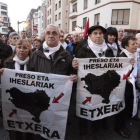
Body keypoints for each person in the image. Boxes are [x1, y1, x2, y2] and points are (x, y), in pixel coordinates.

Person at [27, 24, 77, 140]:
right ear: (44, 35)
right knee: (41, 124)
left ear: (59, 36)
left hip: (58, 99)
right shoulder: (35, 55)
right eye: (48, 33)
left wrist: (74, 77)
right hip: (40, 98)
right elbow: (29, 75)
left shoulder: (67, 55)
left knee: (56, 126)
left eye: (54, 33)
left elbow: (71, 73)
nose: (51, 36)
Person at [72, 25, 107, 139]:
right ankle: (83, 133)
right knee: (85, 110)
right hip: (86, 87)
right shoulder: (83, 49)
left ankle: (96, 132)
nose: (98, 36)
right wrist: (74, 66)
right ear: (90, 35)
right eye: (95, 33)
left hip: (102, 86)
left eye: (100, 33)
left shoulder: (108, 50)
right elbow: (76, 68)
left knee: (98, 109)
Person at [3, 39, 32, 140]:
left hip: (29, 99)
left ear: (29, 50)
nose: (21, 50)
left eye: (25, 48)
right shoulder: (8, 63)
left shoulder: (33, 63)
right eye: (19, 47)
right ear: (15, 49)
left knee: (29, 122)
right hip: (14, 99)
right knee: (15, 126)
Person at [115, 35, 138, 138]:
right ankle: (118, 127)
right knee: (121, 108)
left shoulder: (134, 55)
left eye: (136, 43)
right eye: (133, 44)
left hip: (130, 87)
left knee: (127, 106)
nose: (135, 46)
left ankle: (123, 125)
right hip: (122, 88)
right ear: (126, 46)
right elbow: (115, 73)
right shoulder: (122, 57)